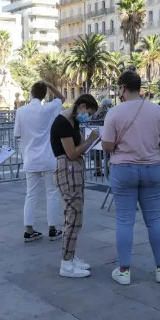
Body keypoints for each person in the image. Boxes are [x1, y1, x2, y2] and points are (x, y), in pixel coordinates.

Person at [102, 71, 160, 285]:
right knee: (154, 219)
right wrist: (151, 149)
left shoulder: (114, 113)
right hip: (151, 167)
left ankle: (124, 271)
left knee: (124, 220)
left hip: (123, 169)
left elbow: (107, 145)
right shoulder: (157, 110)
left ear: (123, 87)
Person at [50, 94, 101, 278]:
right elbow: (72, 153)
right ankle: (66, 262)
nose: (88, 117)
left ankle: (70, 256)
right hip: (68, 169)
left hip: (73, 169)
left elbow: (78, 147)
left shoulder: (73, 121)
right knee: (72, 216)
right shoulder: (63, 123)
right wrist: (91, 140)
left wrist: (88, 142)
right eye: (89, 112)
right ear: (82, 106)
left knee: (76, 216)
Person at [14, 80, 65, 242]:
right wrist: (50, 85)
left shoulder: (21, 111)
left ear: (31, 93)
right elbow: (62, 98)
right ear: (44, 95)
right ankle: (53, 229)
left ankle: (29, 230)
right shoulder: (48, 109)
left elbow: (17, 135)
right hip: (48, 158)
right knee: (52, 193)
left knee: (31, 195)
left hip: (30, 159)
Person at [90, 98, 112, 177]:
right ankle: (100, 170)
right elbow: (94, 119)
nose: (110, 106)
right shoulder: (100, 111)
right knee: (99, 154)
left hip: (101, 134)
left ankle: (104, 169)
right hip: (100, 134)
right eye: (109, 105)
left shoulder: (107, 111)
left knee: (104, 154)